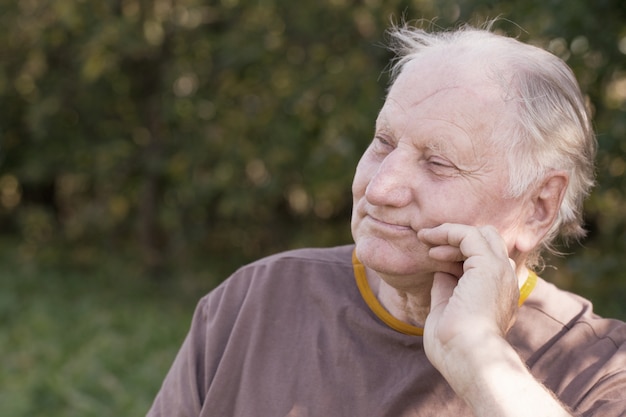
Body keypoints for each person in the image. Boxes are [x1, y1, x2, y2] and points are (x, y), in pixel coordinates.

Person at [147, 21, 626, 417]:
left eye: (438, 162)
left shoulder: (600, 369)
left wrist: (480, 359)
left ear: (538, 207)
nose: (379, 188)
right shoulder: (254, 301)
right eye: (383, 143)